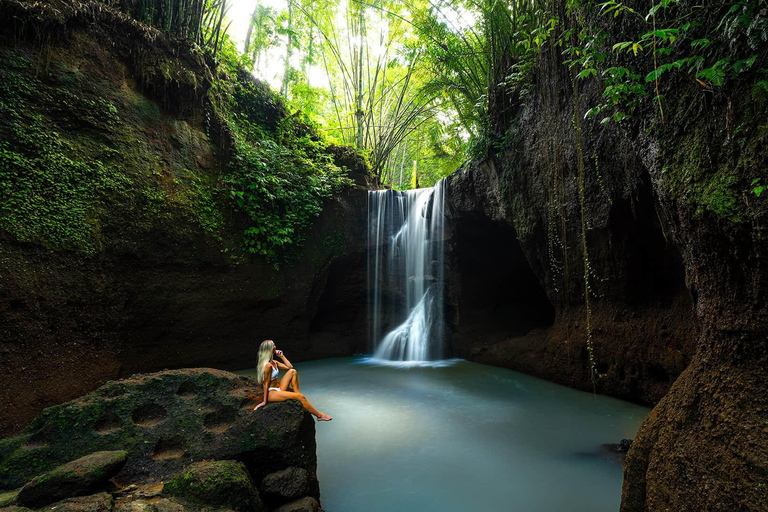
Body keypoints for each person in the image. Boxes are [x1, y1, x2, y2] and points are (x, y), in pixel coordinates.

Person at [252, 339, 332, 422]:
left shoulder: (274, 362)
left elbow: (290, 367)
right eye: (273, 346)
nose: (275, 347)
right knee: (301, 397)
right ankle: (319, 416)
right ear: (269, 350)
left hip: (279, 388)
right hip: (271, 392)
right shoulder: (268, 366)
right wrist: (264, 401)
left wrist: (282, 356)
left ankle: (297, 394)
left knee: (293, 372)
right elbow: (265, 384)